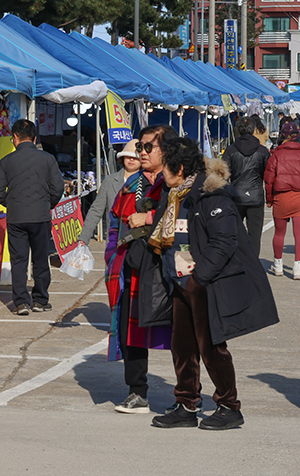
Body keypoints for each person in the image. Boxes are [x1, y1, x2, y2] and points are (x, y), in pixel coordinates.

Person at [150, 137, 279, 431]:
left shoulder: (211, 196)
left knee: (211, 348)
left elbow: (224, 242)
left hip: (205, 284)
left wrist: (199, 279)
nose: (161, 174)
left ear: (180, 168)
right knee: (182, 348)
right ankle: (186, 403)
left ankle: (229, 406)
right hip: (179, 283)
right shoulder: (173, 196)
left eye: (165, 168)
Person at [106, 125, 176, 414]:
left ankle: (188, 394)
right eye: (140, 148)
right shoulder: (130, 184)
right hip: (133, 269)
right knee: (130, 332)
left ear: (167, 151)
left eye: (148, 147)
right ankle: (137, 392)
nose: (141, 153)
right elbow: (114, 223)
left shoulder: (178, 183)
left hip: (168, 270)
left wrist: (147, 216)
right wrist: (113, 258)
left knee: (181, 334)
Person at [0, 119, 64, 316]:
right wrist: (47, 203)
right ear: (34, 138)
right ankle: (40, 300)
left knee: (19, 260)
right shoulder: (47, 159)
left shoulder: (6, 161)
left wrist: (11, 202)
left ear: (15, 137)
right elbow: (58, 188)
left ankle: (22, 302)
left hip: (16, 217)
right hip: (40, 216)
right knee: (40, 259)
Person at [264, 121, 300, 280]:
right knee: (299, 234)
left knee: (279, 233)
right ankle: (297, 268)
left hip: (282, 196)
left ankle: (278, 264)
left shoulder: (276, 155)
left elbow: (269, 180)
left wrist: (269, 199)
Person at [222, 117, 270, 256]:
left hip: (236, 195)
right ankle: (253, 263)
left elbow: (223, 175)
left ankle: (236, 261)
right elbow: (267, 174)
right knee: (254, 235)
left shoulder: (230, 150)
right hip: (255, 195)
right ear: (254, 130)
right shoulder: (262, 151)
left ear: (238, 130)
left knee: (234, 232)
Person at [80, 139, 140, 245]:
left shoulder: (148, 182)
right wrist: (83, 238)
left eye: (135, 157)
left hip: (139, 242)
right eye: (128, 155)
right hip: (115, 241)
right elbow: (96, 210)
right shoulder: (110, 181)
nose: (131, 159)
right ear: (122, 157)